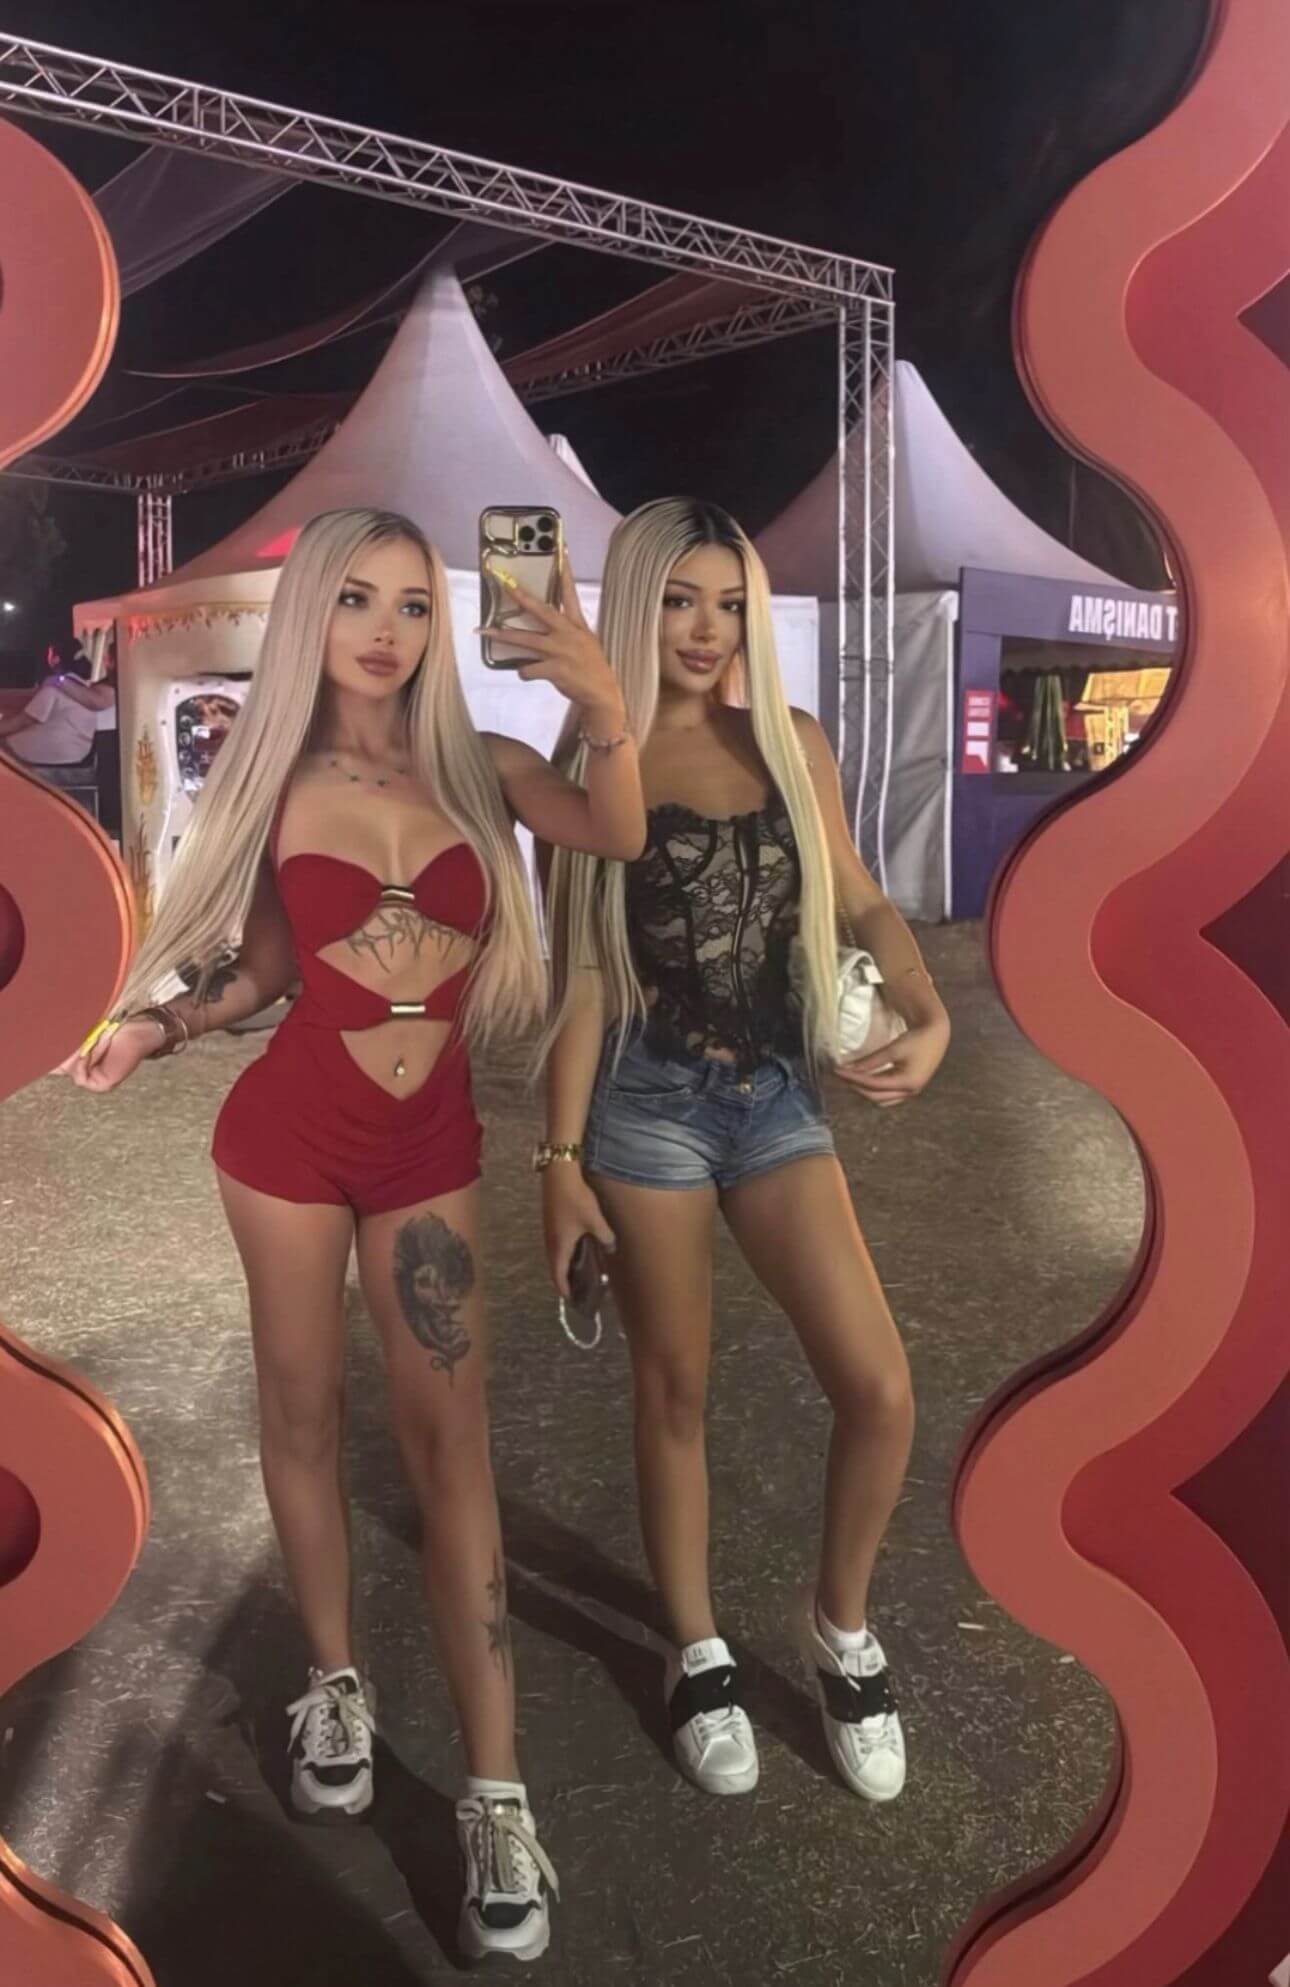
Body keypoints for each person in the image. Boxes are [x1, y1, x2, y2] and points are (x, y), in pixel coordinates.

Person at [59, 507, 645, 1963]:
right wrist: (157, 1026)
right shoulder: (276, 779)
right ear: (312, 614)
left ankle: (497, 1790)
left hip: (425, 1150)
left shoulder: (484, 765)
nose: (385, 631)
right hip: (287, 1143)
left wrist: (601, 702)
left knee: (453, 1448)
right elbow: (264, 968)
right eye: (355, 601)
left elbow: (617, 827)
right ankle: (333, 1681)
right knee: (303, 1413)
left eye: (410, 604)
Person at [537, 497, 949, 1809]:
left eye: (729, 602)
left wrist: (928, 1009)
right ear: (636, 603)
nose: (706, 628)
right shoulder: (593, 758)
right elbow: (580, 979)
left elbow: (860, 894)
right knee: (674, 1388)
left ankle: (841, 1627)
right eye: (679, 599)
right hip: (644, 1106)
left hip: (774, 1098)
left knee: (879, 1387)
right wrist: (556, 1162)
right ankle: (696, 1647)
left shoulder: (790, 739)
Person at [0, 650, 114, 764]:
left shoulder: (56, 688)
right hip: (75, 758)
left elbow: (22, 721)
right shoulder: (83, 691)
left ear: (54, 658)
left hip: (36, 756)